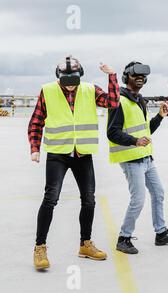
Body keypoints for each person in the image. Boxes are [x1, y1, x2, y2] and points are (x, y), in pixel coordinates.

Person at [28, 55, 119, 270]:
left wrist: (112, 76)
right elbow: (36, 121)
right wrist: (35, 148)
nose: (69, 87)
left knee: (89, 199)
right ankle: (40, 247)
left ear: (81, 76)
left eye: (73, 82)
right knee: (51, 198)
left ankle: (85, 244)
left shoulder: (90, 89)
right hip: (58, 154)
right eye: (65, 82)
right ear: (58, 77)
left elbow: (113, 103)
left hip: (82, 154)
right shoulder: (48, 90)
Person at [107, 61, 168, 254]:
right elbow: (112, 133)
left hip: (147, 158)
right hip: (131, 159)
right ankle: (123, 238)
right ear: (126, 78)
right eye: (135, 76)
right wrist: (134, 141)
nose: (140, 79)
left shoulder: (139, 100)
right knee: (138, 200)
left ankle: (161, 233)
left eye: (142, 77)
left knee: (158, 193)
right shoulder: (119, 101)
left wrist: (160, 116)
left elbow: (145, 131)